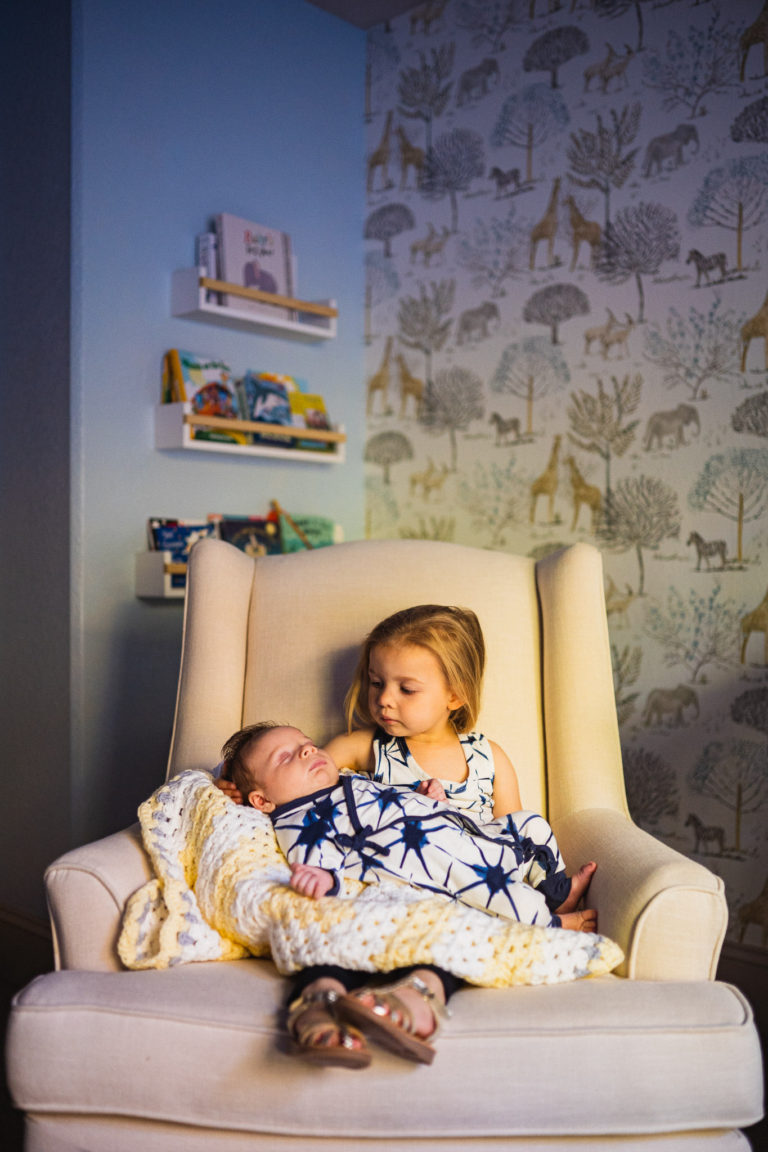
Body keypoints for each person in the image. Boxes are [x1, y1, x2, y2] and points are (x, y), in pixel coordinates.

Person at [222, 722, 596, 932]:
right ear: (261, 801)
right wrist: (321, 879)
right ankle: (551, 924)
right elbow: (313, 859)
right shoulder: (299, 820)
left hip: (465, 831)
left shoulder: (347, 781)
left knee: (530, 824)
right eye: (286, 757)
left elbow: (387, 802)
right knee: (499, 895)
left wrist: (423, 798)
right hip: (438, 863)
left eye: (306, 743)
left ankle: (556, 891)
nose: (306, 750)